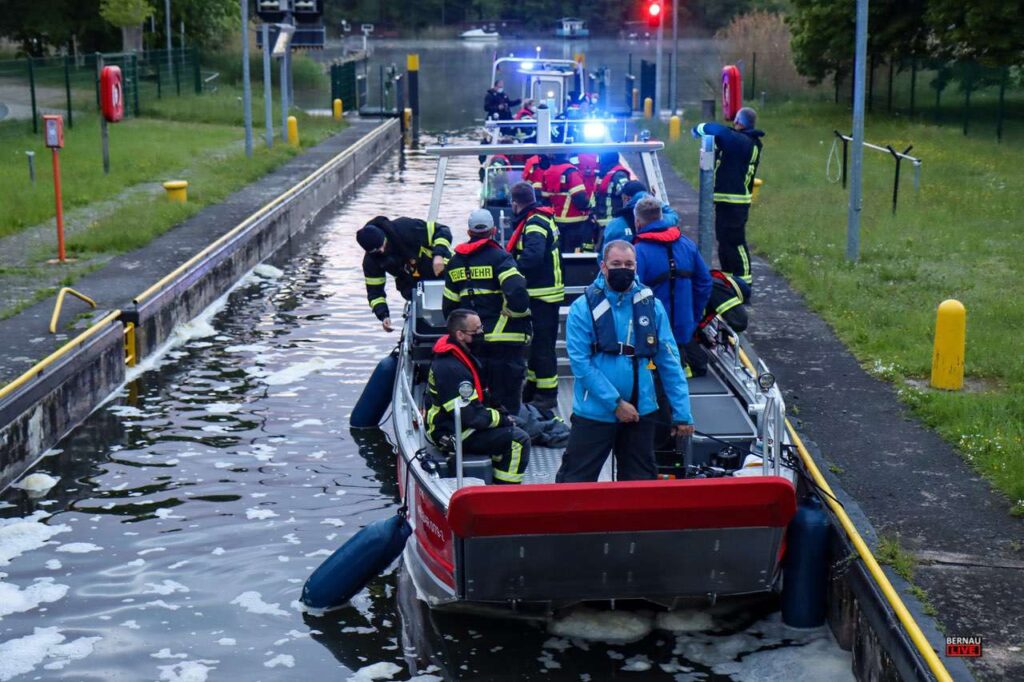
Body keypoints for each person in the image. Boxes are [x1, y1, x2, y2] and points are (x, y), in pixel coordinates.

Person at [555, 240, 695, 483]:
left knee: (641, 483)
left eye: (629, 264)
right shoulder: (582, 308)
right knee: (574, 481)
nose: (623, 269)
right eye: (616, 264)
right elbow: (581, 364)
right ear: (603, 266)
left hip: (641, 412)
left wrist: (682, 413)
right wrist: (615, 403)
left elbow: (669, 361)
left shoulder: (652, 307)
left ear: (636, 267)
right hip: (594, 412)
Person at [425, 309, 531, 484]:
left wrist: (503, 414)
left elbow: (483, 394)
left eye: (481, 328)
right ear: (460, 335)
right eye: (476, 331)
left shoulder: (462, 354)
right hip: (451, 431)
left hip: (460, 423)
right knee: (519, 441)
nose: (482, 334)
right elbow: (470, 417)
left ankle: (498, 467)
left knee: (520, 423)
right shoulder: (451, 369)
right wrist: (503, 420)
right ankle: (503, 492)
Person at [442, 209, 531, 416]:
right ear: (494, 230)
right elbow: (517, 292)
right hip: (505, 342)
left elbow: (449, 308)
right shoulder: (501, 258)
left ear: (468, 232)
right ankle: (510, 435)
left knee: (480, 394)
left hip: (473, 343)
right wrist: (515, 312)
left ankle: (487, 433)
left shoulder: (454, 263)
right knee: (507, 398)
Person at [633, 196, 712, 376]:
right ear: (661, 216)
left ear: (637, 221)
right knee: (678, 378)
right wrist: (694, 315)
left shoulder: (638, 251)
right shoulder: (686, 244)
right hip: (683, 328)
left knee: (654, 381)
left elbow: (633, 293)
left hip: (652, 334)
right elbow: (704, 283)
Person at [692, 107, 764, 291]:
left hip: (735, 202)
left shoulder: (742, 141)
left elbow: (717, 130)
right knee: (724, 241)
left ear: (739, 122)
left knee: (735, 241)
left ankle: (744, 282)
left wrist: (697, 129)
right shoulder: (743, 141)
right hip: (728, 201)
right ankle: (730, 281)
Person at [507, 182, 563, 410]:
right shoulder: (540, 217)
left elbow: (532, 257)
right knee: (536, 344)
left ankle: (547, 394)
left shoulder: (534, 223)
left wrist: (510, 272)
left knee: (542, 346)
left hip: (543, 294)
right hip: (543, 293)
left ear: (515, 203)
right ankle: (532, 386)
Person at [358, 216, 453, 332]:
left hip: (444, 272)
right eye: (377, 250)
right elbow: (375, 293)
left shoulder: (406, 227)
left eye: (383, 244)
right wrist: (383, 315)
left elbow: (442, 230)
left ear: (384, 235)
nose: (382, 250)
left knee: (453, 309)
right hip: (415, 289)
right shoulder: (371, 261)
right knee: (425, 324)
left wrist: (439, 254)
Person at [601, 181, 680, 252]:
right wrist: (652, 200)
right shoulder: (660, 219)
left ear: (626, 198)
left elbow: (604, 255)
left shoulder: (615, 224)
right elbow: (674, 216)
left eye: (623, 199)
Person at [542, 154, 594, 252]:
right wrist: (589, 207)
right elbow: (580, 197)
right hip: (575, 222)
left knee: (560, 252)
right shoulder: (571, 172)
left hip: (556, 221)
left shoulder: (547, 172)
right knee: (575, 254)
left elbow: (545, 199)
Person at [593, 152, 632, 228]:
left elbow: (627, 194)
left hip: (613, 222)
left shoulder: (619, 174)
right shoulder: (604, 174)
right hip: (602, 221)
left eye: (601, 158)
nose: (599, 161)